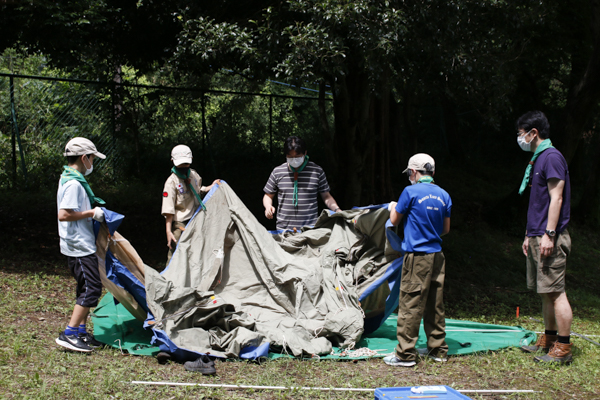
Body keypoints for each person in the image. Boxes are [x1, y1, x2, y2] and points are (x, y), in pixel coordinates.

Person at [383, 153, 452, 367]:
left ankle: (404, 354)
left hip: (417, 257)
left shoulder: (410, 192)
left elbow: (394, 221)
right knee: (435, 303)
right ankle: (437, 349)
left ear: (413, 172)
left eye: (409, 173)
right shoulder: (444, 195)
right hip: (437, 256)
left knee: (410, 303)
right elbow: (446, 229)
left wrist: (393, 207)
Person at [516, 111, 574, 364]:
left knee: (556, 292)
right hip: (537, 234)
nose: (519, 139)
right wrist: (530, 235)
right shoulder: (538, 158)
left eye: (521, 134)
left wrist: (550, 234)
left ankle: (563, 347)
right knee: (545, 291)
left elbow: (556, 198)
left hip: (550, 235)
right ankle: (550, 339)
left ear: (533, 133)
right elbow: (537, 202)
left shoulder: (551, 157)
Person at [56, 137, 107, 352]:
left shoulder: (70, 178)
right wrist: (91, 213)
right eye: (92, 158)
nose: (93, 163)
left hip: (81, 243)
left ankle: (81, 333)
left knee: (85, 287)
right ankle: (69, 333)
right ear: (84, 158)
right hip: (79, 246)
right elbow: (64, 214)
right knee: (92, 289)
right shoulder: (74, 184)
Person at [263, 136, 341, 230]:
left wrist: (337, 210)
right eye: (290, 157)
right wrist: (268, 206)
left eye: (297, 156)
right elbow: (268, 195)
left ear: (305, 153)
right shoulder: (277, 172)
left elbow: (326, 196)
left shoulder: (316, 171)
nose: (294, 159)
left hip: (310, 229)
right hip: (283, 230)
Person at [161, 144, 220, 264]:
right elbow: (169, 210)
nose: (184, 167)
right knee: (175, 252)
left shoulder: (193, 175)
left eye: (186, 164)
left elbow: (198, 190)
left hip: (196, 218)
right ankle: (169, 279)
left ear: (191, 161)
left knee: (197, 251)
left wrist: (211, 187)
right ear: (173, 161)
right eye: (181, 164)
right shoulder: (171, 182)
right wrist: (169, 231)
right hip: (181, 223)